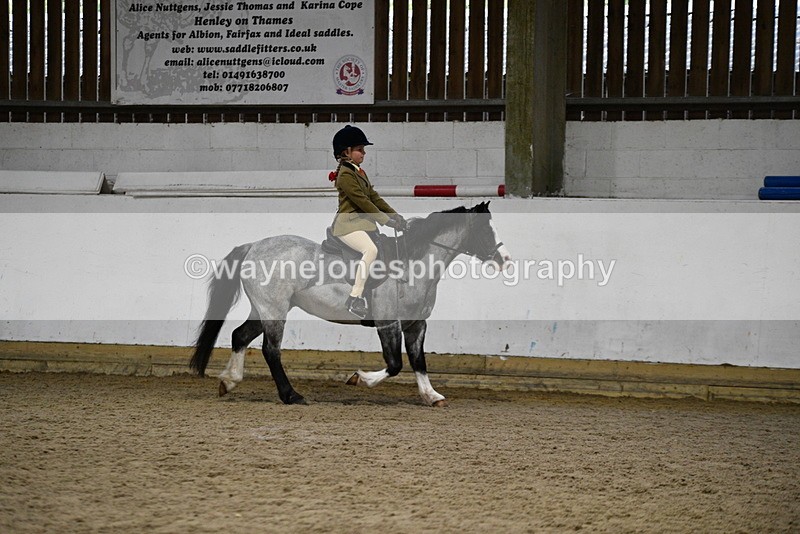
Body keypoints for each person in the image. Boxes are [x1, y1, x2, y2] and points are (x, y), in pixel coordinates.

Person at [330, 125, 407, 318]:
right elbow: (363, 203)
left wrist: (394, 215)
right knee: (370, 250)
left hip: (362, 225)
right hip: (347, 226)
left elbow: (374, 197)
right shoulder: (345, 175)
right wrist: (386, 222)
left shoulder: (359, 172)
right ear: (346, 152)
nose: (363, 153)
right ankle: (354, 298)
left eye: (363, 149)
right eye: (359, 149)